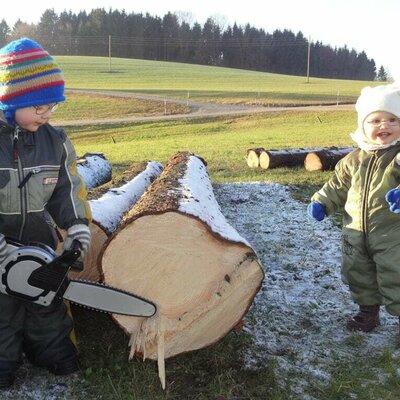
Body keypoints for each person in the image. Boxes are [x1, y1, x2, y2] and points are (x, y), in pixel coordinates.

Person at [0, 37, 92, 388]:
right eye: (38, 106)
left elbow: (67, 189)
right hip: (1, 243)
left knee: (47, 301)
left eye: (52, 106)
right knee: (3, 311)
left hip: (38, 237)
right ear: (11, 100)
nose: (47, 113)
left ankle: (52, 351)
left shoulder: (55, 141)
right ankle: (4, 361)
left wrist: (77, 226)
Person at [308, 84, 400, 334]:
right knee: (359, 273)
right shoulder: (352, 160)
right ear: (363, 125)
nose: (384, 126)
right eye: (376, 120)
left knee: (396, 275)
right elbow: (337, 186)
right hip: (355, 232)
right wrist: (321, 202)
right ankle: (368, 313)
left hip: (393, 235)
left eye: (392, 119)